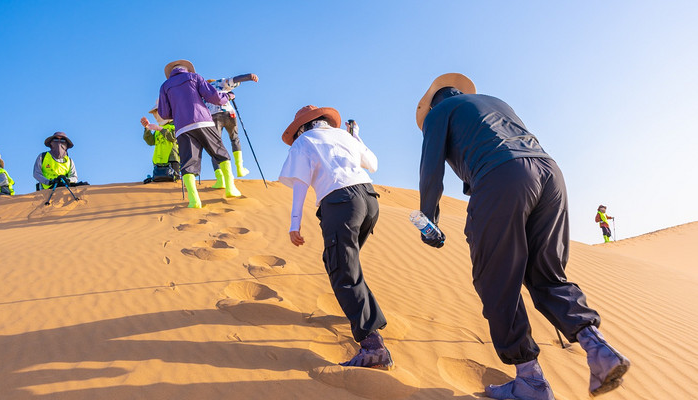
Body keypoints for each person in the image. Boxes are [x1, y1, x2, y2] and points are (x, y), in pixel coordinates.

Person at [416, 73, 630, 399]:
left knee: (498, 278)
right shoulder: (497, 103)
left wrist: (428, 220)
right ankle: (599, 350)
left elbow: (431, 171)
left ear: (433, 103)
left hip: (501, 177)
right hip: (550, 176)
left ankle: (530, 380)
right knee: (547, 275)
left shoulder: (437, 115)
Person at [278, 105, 392, 370]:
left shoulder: (303, 141)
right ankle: (368, 316)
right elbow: (373, 165)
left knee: (342, 269)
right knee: (343, 263)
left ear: (303, 126)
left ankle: (373, 347)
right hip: (370, 201)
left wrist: (294, 223)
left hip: (341, 203)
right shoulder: (345, 136)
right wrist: (357, 136)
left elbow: (300, 183)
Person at [158, 59, 241, 208]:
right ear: (187, 69)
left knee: (188, 163)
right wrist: (227, 97)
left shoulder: (164, 87)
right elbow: (214, 97)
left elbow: (164, 114)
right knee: (220, 152)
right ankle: (230, 188)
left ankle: (194, 200)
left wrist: (178, 112)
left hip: (182, 128)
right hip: (203, 121)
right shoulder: (195, 77)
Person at [205, 73, 258, 189]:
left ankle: (220, 179)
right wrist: (249, 76)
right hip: (229, 113)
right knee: (235, 139)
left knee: (215, 146)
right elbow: (234, 80)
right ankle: (240, 168)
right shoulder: (220, 83)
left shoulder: (202, 91)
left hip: (213, 117)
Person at [141, 101, 180, 183]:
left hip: (172, 160)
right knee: (159, 182)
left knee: (173, 182)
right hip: (158, 163)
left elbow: (172, 138)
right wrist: (147, 128)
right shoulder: (158, 128)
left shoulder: (175, 125)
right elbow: (150, 141)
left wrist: (159, 129)